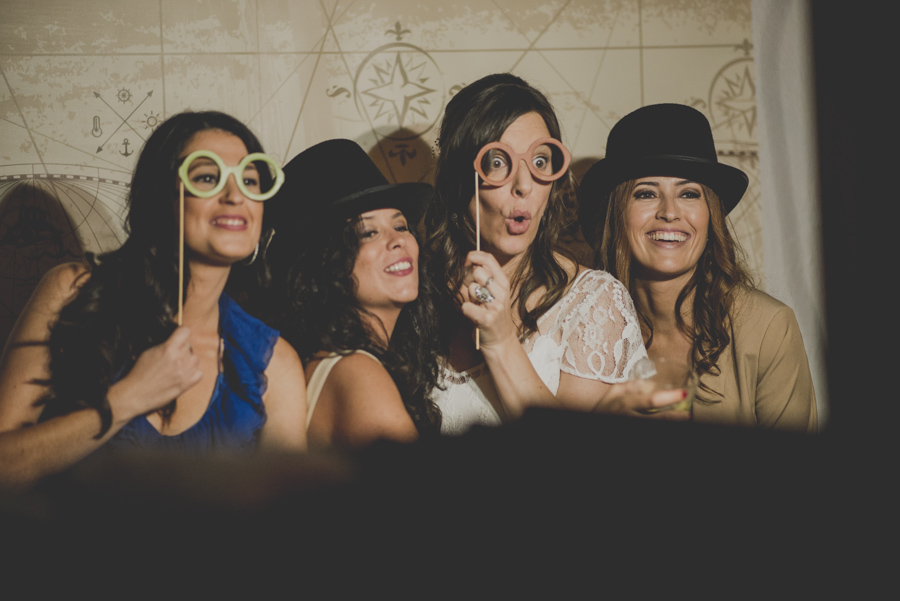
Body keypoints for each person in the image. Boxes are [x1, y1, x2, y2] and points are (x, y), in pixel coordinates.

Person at [0, 111, 307, 490]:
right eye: (207, 178)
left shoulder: (273, 364)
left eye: (249, 180)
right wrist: (128, 398)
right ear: (162, 197)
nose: (233, 196)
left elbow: (288, 518)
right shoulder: (72, 292)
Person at [424, 73, 686, 436]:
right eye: (498, 162)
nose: (524, 185)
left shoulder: (594, 302)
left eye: (541, 161)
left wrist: (501, 341)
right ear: (459, 179)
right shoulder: (420, 294)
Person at [578, 103, 816, 431]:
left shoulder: (768, 329)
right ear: (618, 214)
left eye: (689, 193)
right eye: (646, 193)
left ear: (710, 215)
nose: (670, 212)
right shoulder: (584, 331)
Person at [265, 139, 441, 449]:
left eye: (401, 226)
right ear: (327, 264)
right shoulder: (359, 374)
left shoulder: (337, 361)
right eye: (368, 232)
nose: (398, 240)